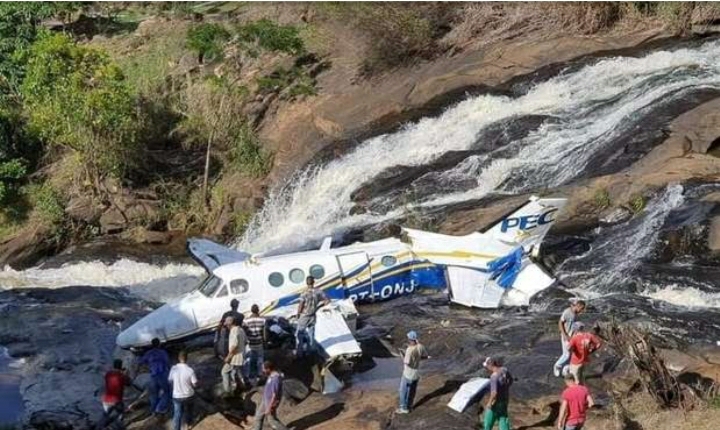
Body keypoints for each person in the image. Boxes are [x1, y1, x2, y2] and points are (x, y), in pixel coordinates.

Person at [294, 276, 329, 356]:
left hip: (304, 316)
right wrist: (319, 307)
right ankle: (310, 352)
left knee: (299, 334)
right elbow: (327, 300)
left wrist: (298, 314)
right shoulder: (319, 291)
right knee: (311, 334)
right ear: (314, 282)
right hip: (313, 315)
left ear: (306, 283)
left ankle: (300, 353)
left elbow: (301, 305)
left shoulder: (304, 293)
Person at [396, 330, 429, 414]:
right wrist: (416, 359)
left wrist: (402, 356)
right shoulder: (421, 346)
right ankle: (410, 406)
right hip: (416, 373)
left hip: (408, 373)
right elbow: (425, 357)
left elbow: (406, 362)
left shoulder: (409, 350)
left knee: (403, 391)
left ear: (410, 339)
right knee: (412, 390)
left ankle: (403, 408)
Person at [553, 299, 586, 377]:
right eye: (581, 309)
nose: (582, 311)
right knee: (566, 354)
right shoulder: (567, 312)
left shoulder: (575, 313)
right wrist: (564, 335)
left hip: (572, 337)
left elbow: (573, 325)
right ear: (578, 306)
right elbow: (560, 323)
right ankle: (557, 366)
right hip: (566, 336)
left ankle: (565, 370)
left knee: (572, 354)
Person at [138, 338, 170, 415]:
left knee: (153, 393)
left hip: (153, 375)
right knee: (167, 392)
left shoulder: (148, 353)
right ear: (159, 344)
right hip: (162, 374)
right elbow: (167, 362)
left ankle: (153, 410)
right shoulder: (163, 352)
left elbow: (141, 361)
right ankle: (159, 408)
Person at [253, 360, 288, 430]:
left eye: (264, 369)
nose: (263, 370)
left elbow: (274, 395)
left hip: (271, 402)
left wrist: (269, 407)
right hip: (265, 400)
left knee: (272, 420)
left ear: (268, 369)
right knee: (258, 416)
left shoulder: (276, 379)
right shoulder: (271, 375)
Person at [97, 359, 132, 429]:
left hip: (106, 399)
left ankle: (99, 428)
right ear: (121, 366)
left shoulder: (108, 374)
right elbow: (129, 383)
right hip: (116, 400)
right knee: (121, 416)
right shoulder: (122, 376)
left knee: (104, 417)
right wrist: (125, 374)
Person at [168, 350, 197, 430]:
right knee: (189, 411)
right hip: (189, 395)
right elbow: (195, 384)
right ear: (187, 358)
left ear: (178, 358)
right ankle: (189, 425)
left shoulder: (173, 369)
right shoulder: (190, 370)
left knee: (177, 413)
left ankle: (176, 428)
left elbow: (170, 381)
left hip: (177, 396)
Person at [482, 357, 512, 430]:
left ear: (490, 365)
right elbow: (511, 380)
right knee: (503, 417)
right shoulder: (504, 370)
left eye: (487, 366)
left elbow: (494, 392)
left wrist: (489, 403)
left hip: (496, 401)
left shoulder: (494, 377)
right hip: (505, 398)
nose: (487, 368)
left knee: (488, 420)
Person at [223, 316, 247, 395]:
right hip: (241, 355)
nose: (226, 327)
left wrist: (228, 357)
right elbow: (245, 341)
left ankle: (227, 392)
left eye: (226, 325)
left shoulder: (233, 331)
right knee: (238, 373)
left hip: (235, 357)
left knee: (224, 372)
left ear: (230, 324)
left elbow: (234, 346)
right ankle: (243, 388)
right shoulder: (241, 329)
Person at [243, 304, 266, 383]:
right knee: (260, 359)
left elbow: (245, 332)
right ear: (258, 310)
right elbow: (264, 333)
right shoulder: (263, 320)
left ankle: (249, 377)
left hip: (250, 343)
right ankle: (259, 375)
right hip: (259, 342)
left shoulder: (246, 321)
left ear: (251, 310)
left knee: (250, 360)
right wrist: (265, 342)